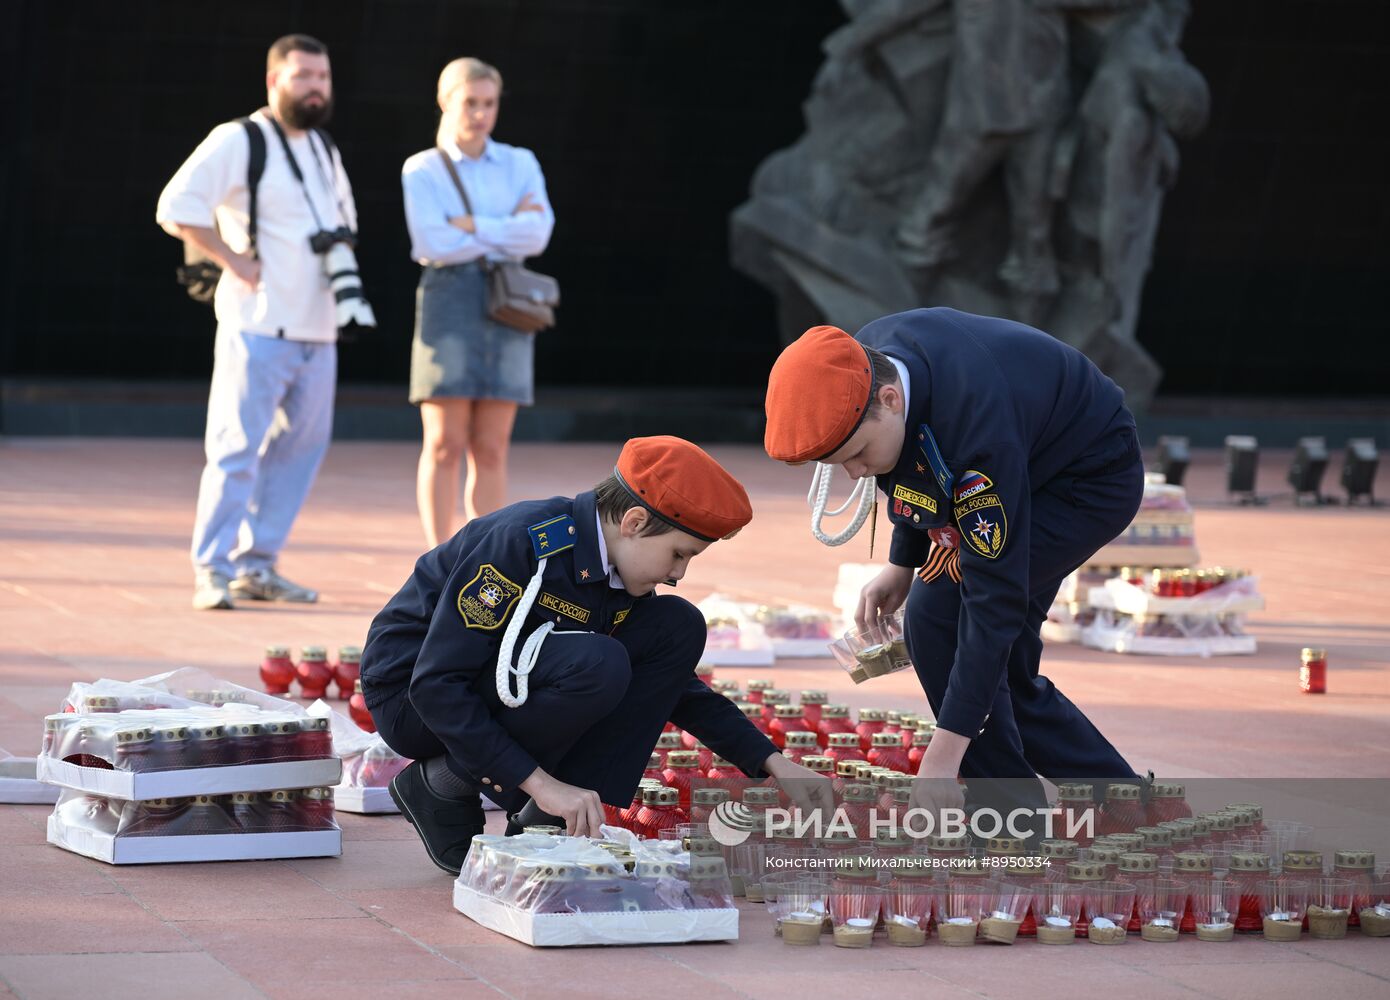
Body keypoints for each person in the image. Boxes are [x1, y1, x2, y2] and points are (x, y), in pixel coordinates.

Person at [360, 436, 833, 874]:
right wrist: (543, 782)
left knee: (676, 627)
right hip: (412, 700)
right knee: (597, 664)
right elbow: (435, 683)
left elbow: (676, 690)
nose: (678, 575)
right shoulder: (526, 541)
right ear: (633, 522)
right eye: (677, 555)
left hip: (490, 682)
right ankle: (445, 783)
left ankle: (545, 824)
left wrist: (774, 763)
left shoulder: (616, 568)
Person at [763, 309, 1147, 832]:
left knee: (945, 618)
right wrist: (902, 562)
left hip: (1085, 478)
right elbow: (915, 455)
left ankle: (1013, 815)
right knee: (984, 655)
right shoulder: (864, 363)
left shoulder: (976, 424)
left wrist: (943, 757)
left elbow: (993, 601)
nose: (855, 472)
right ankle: (1119, 800)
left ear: (889, 399)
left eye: (855, 454)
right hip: (1024, 454)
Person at [156, 34, 356, 610]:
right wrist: (234, 260)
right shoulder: (240, 138)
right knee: (236, 449)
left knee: (300, 454)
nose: (316, 87)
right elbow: (176, 207)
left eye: (322, 77)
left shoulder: (322, 147)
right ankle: (211, 569)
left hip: (318, 330)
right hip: (257, 325)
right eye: (303, 77)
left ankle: (258, 565)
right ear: (274, 81)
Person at [401, 58, 555, 549]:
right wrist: (506, 226)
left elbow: (539, 234)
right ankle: (437, 555)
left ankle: (482, 553)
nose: (481, 113)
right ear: (447, 100)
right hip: (450, 297)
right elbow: (433, 243)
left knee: (491, 446)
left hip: (507, 301)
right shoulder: (423, 167)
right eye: (471, 102)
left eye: (489, 103)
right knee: (444, 442)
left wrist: (471, 224)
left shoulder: (520, 161)